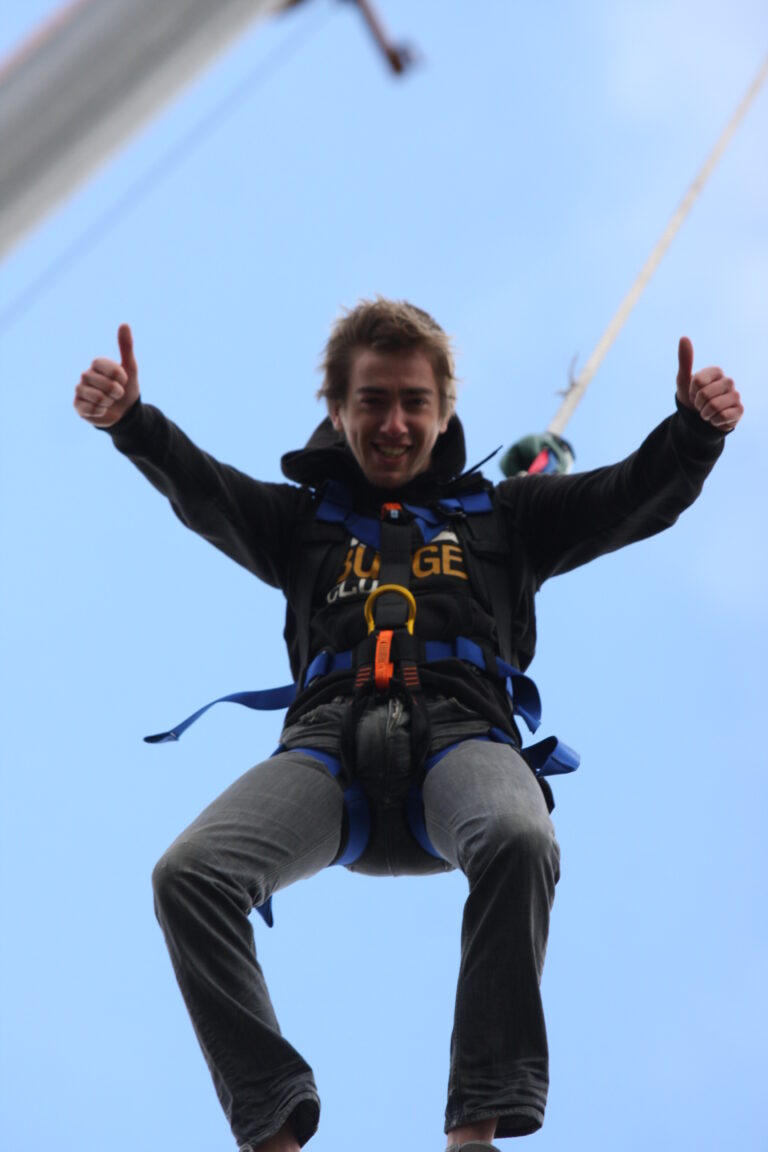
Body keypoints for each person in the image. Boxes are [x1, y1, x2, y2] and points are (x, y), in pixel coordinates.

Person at [73, 299, 743, 1152]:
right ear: (337, 410)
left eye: (414, 403)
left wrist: (692, 434)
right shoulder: (301, 527)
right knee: (189, 875)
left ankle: (475, 1129)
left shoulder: (506, 519)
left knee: (520, 837)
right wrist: (132, 422)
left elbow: (629, 496)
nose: (394, 424)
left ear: (444, 411)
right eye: (373, 401)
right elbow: (202, 489)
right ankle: (272, 1130)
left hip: (462, 742)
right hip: (326, 755)